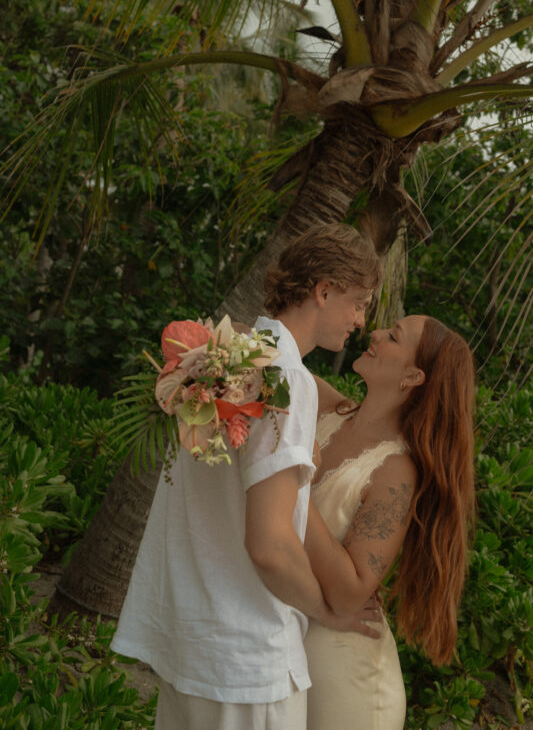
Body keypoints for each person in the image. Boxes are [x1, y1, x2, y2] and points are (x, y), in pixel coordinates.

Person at [112, 223, 383, 730]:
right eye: (360, 302)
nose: (361, 321)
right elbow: (271, 545)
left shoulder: (220, 361)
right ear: (323, 290)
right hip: (246, 662)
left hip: (190, 645)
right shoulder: (285, 381)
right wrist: (327, 612)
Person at [303, 314, 476, 730]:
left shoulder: (396, 470)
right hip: (289, 650)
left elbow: (350, 593)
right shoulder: (329, 410)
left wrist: (292, 488)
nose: (375, 334)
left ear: (413, 376)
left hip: (344, 680)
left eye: (393, 336)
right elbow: (268, 359)